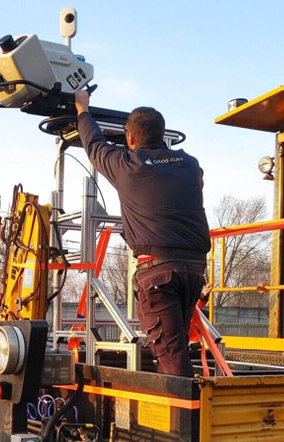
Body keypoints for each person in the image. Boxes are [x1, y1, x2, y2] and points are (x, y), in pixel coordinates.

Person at [74, 89, 211, 377]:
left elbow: (94, 145)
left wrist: (82, 110)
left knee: (171, 356)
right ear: (163, 135)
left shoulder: (128, 166)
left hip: (159, 274)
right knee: (177, 348)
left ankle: (184, 418)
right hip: (194, 270)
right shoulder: (190, 165)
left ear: (131, 139)